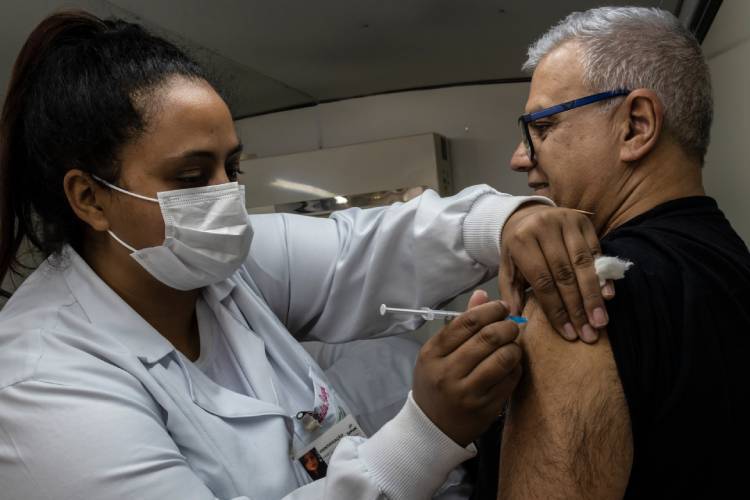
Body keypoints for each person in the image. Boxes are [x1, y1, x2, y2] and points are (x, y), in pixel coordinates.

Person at [0, 11, 609, 500]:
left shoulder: (218, 269)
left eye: (231, 167)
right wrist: (425, 435)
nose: (225, 200)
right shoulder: (41, 384)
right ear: (89, 198)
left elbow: (364, 246)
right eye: (190, 177)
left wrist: (508, 220)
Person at [496, 6, 750, 499]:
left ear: (635, 125)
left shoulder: (580, 294)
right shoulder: (731, 264)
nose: (520, 156)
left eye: (543, 128)